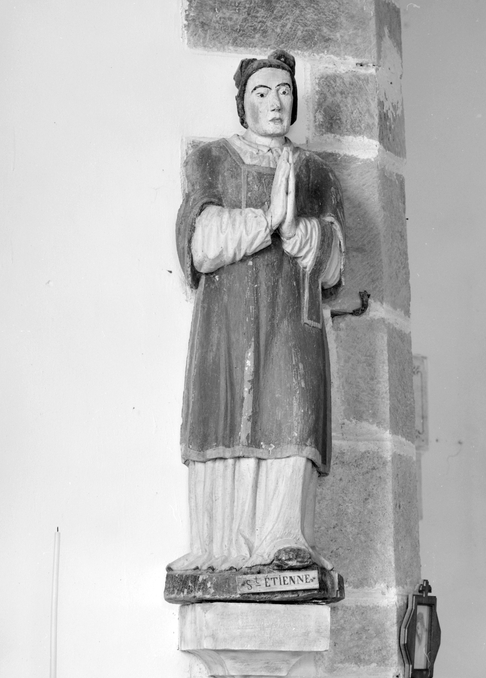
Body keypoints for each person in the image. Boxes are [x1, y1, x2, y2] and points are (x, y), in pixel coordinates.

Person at [169, 50, 345, 573]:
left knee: (292, 411)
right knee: (227, 413)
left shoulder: (316, 173)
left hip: (294, 321)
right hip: (228, 322)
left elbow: (334, 263)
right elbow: (199, 244)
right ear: (242, 104)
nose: (275, 102)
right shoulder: (212, 160)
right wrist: (266, 219)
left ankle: (284, 541)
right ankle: (223, 548)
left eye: (285, 91)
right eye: (262, 93)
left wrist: (297, 230)